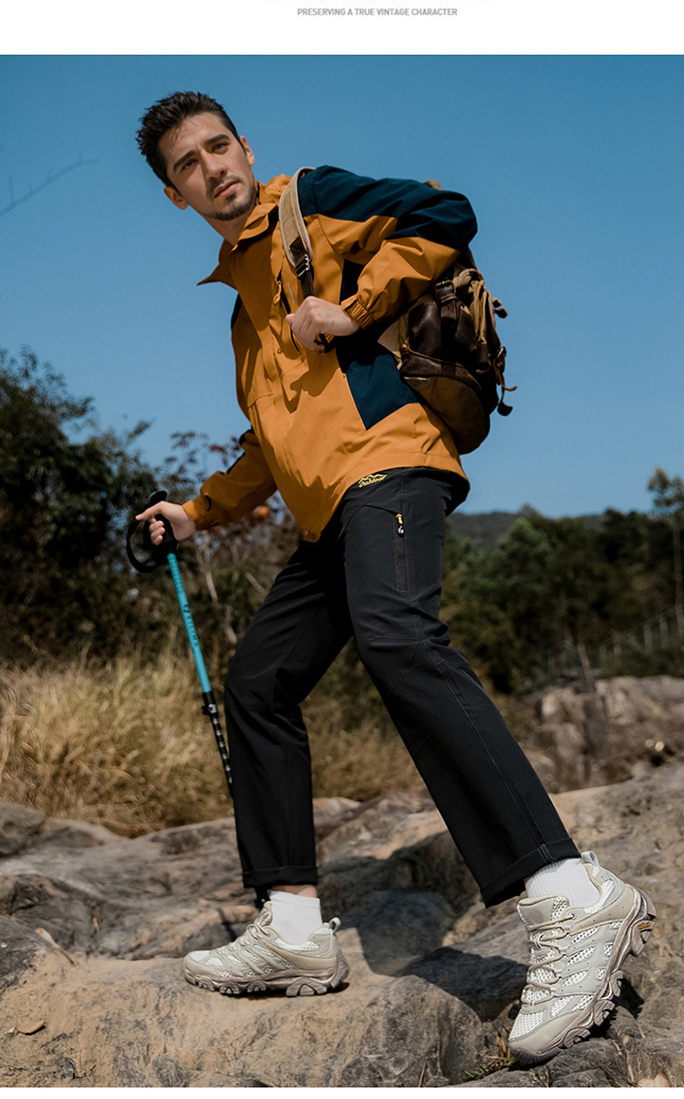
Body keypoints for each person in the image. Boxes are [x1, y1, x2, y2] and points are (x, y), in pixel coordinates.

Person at [134, 91, 654, 1064]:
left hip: (392, 466)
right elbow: (270, 442)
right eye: (188, 165)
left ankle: (572, 894)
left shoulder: (311, 202)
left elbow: (444, 213)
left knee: (398, 637)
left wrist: (354, 305)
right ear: (175, 195)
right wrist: (198, 510)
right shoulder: (244, 316)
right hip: (329, 515)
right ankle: (293, 925)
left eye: (219, 146)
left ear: (245, 147)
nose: (212, 168)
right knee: (259, 681)